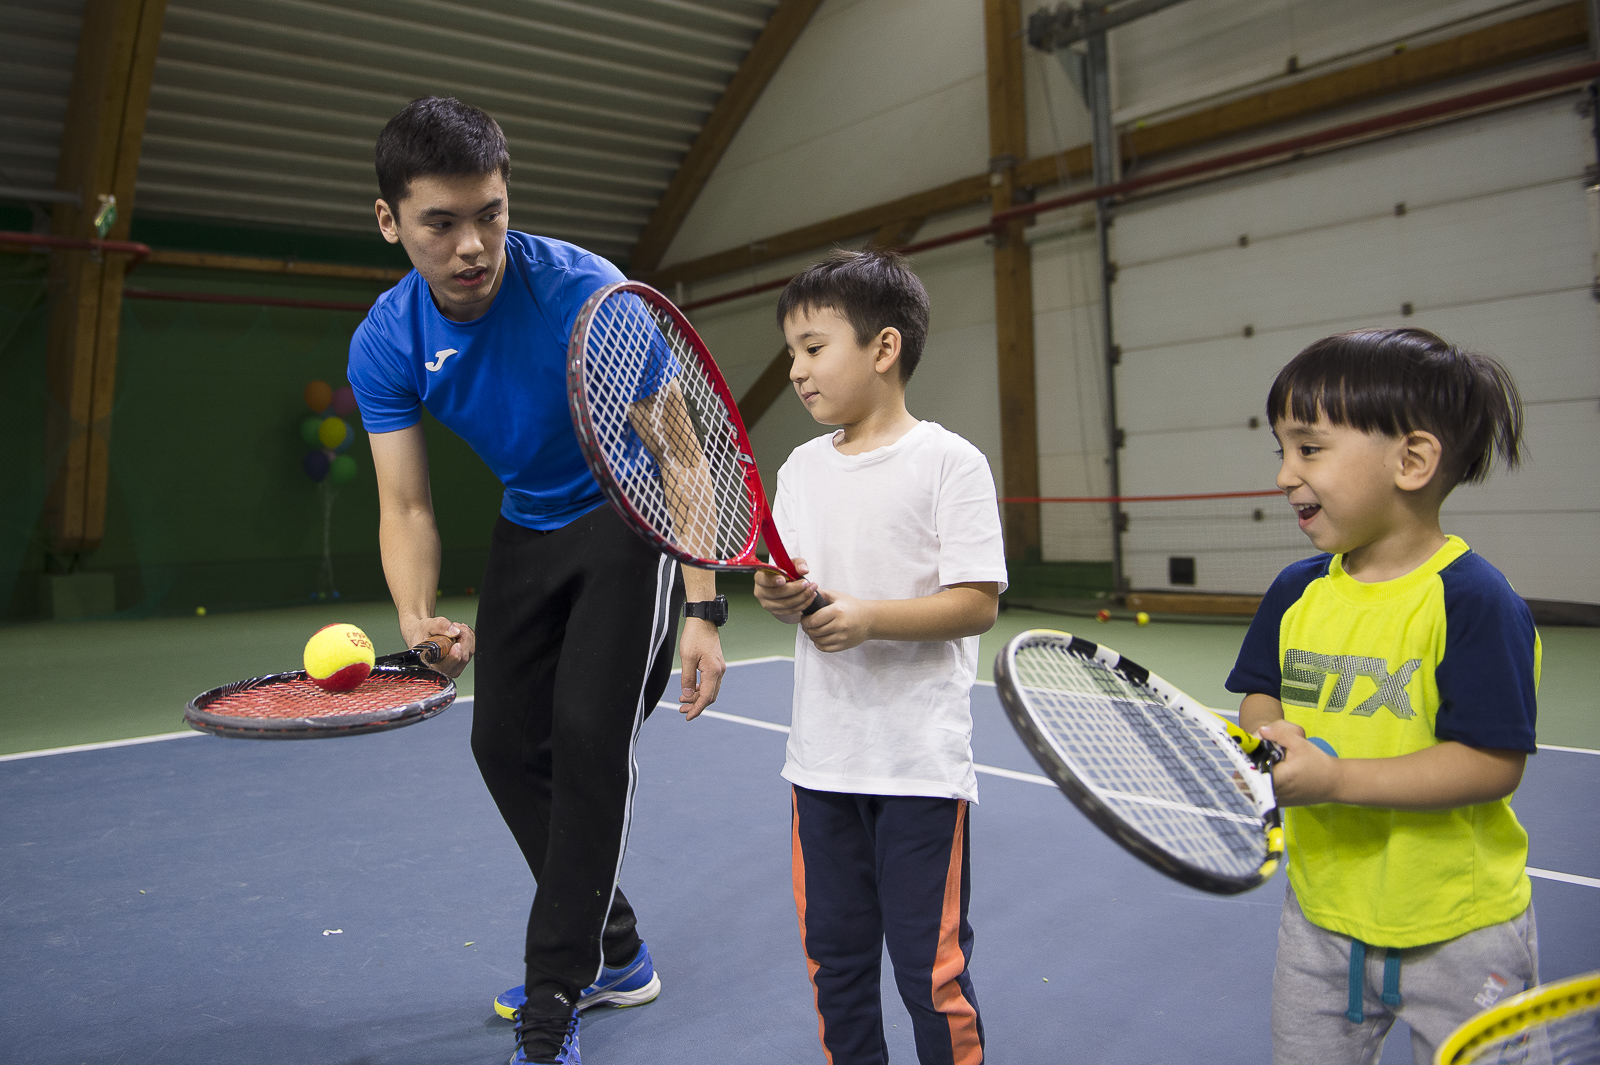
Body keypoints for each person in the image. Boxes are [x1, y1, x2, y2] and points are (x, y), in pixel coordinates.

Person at [347, 96, 727, 1065]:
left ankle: (557, 999)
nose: (473, 245)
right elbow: (407, 507)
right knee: (502, 745)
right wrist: (416, 613)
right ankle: (619, 950)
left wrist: (702, 605)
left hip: (623, 518)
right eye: (442, 222)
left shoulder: (588, 295)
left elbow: (681, 456)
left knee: (589, 740)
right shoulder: (385, 343)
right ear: (390, 221)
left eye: (492, 213)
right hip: (526, 526)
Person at [1227, 328, 1539, 1065]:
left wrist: (1337, 778)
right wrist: (1273, 734)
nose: (1282, 474)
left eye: (1308, 448)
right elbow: (1260, 696)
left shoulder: (1473, 600)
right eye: (1281, 449)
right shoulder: (1295, 591)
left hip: (1461, 930)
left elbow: (1493, 761)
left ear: (1413, 460)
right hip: (1321, 920)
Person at [752, 249, 1006, 1065]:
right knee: (837, 966)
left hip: (917, 772)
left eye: (814, 346)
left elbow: (976, 602)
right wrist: (781, 595)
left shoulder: (950, 462)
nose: (797, 369)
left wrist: (867, 619)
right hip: (821, 768)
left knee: (931, 973)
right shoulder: (797, 470)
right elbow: (790, 581)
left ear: (884, 348)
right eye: (792, 351)